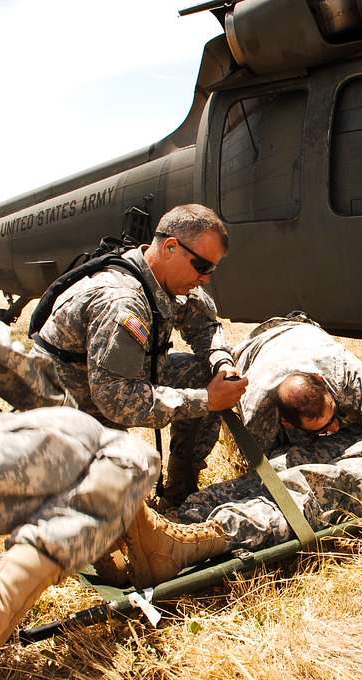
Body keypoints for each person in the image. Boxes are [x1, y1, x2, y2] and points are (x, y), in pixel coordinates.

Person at [0, 190, 229, 680]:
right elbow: (17, 368)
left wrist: (222, 359)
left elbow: (203, 316)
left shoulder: (165, 285)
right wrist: (84, 454)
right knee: (120, 456)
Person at [150, 315, 362, 581]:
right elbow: (264, 468)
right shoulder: (259, 408)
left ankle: (201, 533)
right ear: (287, 424)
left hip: (311, 345)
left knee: (326, 485)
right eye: (323, 428)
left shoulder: (353, 378)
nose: (333, 431)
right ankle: (182, 518)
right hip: (260, 350)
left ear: (324, 383)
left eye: (334, 420)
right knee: (276, 475)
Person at [32, 204, 248, 507]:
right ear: (171, 247)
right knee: (120, 486)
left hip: (109, 383)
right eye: (202, 267)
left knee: (202, 372)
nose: (206, 279)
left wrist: (221, 361)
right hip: (69, 407)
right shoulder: (122, 301)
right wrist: (207, 400)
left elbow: (204, 325)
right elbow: (116, 400)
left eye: (211, 269)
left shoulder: (164, 280)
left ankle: (180, 493)